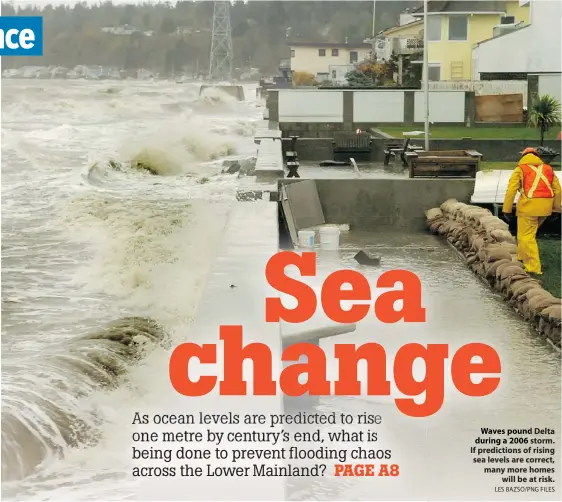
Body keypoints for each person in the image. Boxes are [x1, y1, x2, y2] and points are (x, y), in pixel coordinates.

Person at [502, 147, 561, 276]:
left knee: (526, 237)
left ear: (523, 156)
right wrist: (556, 209)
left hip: (528, 207)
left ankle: (533, 268)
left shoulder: (520, 169)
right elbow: (557, 190)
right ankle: (522, 258)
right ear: (537, 156)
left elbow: (511, 190)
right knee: (528, 234)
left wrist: (506, 210)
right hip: (545, 207)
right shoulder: (548, 169)